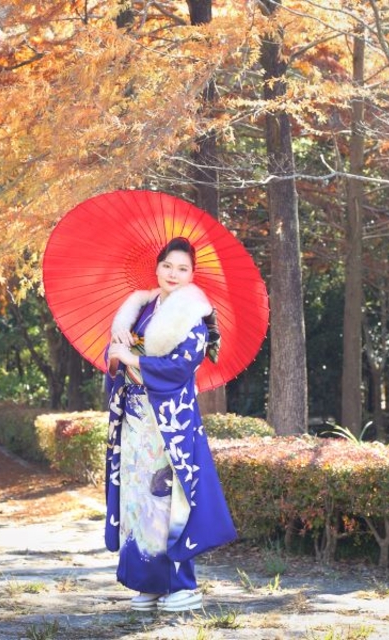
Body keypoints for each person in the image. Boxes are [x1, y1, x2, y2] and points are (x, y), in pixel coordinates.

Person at [105, 237, 237, 613]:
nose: (173, 274)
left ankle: (182, 584)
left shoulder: (192, 315)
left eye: (182, 268)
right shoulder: (139, 311)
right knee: (138, 501)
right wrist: (117, 351)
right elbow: (116, 358)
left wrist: (132, 358)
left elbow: (181, 367)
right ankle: (149, 582)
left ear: (192, 275)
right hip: (136, 422)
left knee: (169, 500)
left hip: (170, 424)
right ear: (157, 268)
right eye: (167, 266)